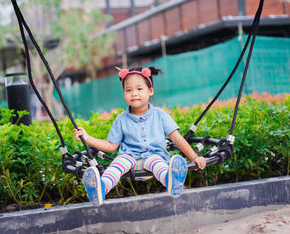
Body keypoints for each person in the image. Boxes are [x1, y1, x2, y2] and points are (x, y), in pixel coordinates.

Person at [74, 66, 207, 206]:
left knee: (158, 163)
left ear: (150, 91)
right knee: (116, 165)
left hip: (152, 157)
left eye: (139, 89)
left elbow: (178, 138)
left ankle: (171, 181)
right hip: (129, 158)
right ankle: (101, 188)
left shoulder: (160, 115)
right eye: (128, 90)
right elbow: (111, 146)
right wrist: (87, 138)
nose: (134, 94)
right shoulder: (121, 119)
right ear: (124, 93)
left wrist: (194, 157)